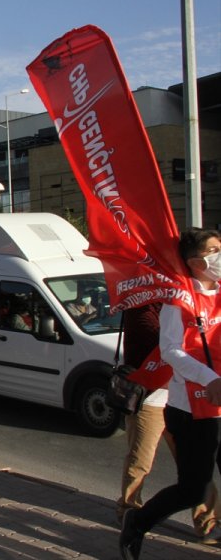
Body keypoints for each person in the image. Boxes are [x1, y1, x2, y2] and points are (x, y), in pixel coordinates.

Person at [120, 228, 221, 559]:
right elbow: (170, 351)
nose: (220, 255)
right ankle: (136, 520)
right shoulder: (178, 301)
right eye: (214, 250)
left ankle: (209, 527)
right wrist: (209, 379)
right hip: (190, 408)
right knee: (192, 488)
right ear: (195, 262)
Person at [115, 302, 219, 543]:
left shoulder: (189, 304)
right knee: (140, 460)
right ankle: (129, 510)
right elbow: (163, 344)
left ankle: (208, 523)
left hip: (184, 400)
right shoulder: (141, 308)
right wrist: (191, 332)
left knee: (197, 468)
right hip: (151, 398)